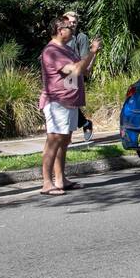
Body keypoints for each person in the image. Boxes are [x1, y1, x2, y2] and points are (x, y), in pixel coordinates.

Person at [37, 17, 99, 195]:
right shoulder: (51, 51)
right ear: (59, 30)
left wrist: (93, 54)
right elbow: (75, 70)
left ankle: (60, 179)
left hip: (70, 101)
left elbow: (85, 70)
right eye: (67, 26)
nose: (72, 27)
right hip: (57, 102)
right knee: (54, 140)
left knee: (64, 141)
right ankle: (47, 183)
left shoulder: (67, 49)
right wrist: (91, 51)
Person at [61, 10, 94, 143]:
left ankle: (67, 137)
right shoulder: (62, 36)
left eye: (75, 22)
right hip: (62, 74)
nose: (73, 24)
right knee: (67, 105)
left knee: (68, 104)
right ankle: (85, 124)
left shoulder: (81, 37)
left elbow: (84, 58)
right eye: (70, 22)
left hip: (74, 74)